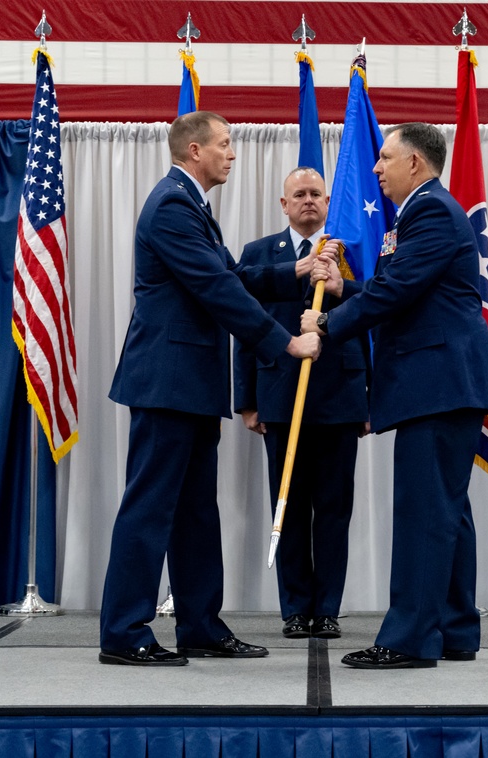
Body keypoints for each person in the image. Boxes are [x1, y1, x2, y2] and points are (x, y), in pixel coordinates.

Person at [100, 111, 323, 667]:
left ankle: (200, 625)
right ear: (194, 149)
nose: (232, 153)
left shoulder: (192, 205)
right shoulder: (173, 204)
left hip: (191, 383)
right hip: (166, 381)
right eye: (224, 144)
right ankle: (124, 632)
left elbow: (234, 274)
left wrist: (298, 272)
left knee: (197, 510)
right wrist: (285, 344)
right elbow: (216, 288)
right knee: (150, 507)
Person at [302, 122, 488, 669]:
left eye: (385, 158)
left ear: (414, 162)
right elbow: (404, 285)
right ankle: (455, 629)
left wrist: (323, 323)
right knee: (446, 512)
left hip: (436, 382)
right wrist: (346, 288)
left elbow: (399, 289)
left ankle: (409, 638)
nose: (375, 167)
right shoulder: (420, 213)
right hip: (441, 382)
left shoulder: (432, 210)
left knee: (423, 512)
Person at [234, 167, 369, 640]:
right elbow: (244, 329)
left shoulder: (349, 254)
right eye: (299, 195)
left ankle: (327, 608)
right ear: (283, 203)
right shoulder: (257, 255)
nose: (308, 201)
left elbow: (370, 320)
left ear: (329, 201)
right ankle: (295, 608)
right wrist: (246, 401)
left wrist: (369, 398)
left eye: (316, 194)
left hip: (340, 396)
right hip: (279, 395)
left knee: (334, 508)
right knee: (287, 506)